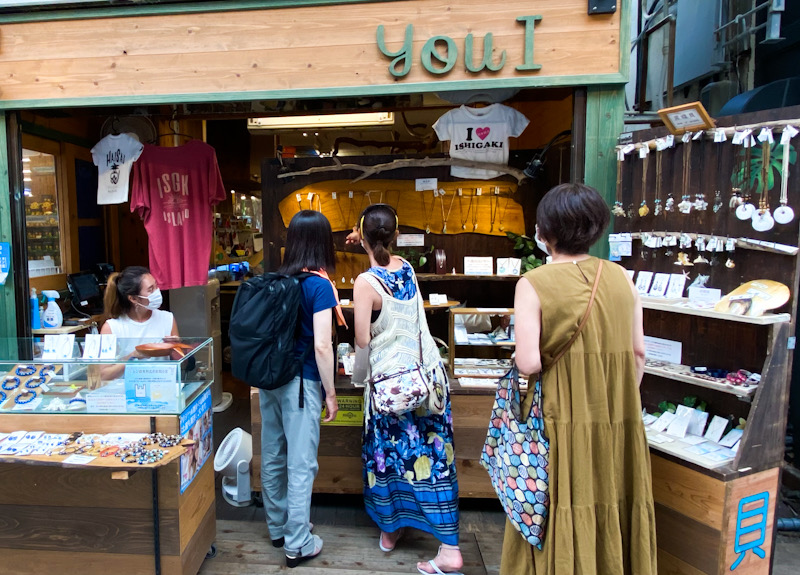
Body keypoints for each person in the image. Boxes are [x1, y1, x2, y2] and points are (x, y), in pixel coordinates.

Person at [501, 183, 656, 575]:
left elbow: (529, 362)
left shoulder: (533, 283)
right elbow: (639, 353)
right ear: (596, 228)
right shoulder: (622, 277)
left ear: (544, 231)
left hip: (560, 416)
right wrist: (614, 398)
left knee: (556, 501)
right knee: (614, 496)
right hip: (617, 418)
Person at [350, 204, 463, 575]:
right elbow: (383, 257)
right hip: (426, 379)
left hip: (391, 387)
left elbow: (363, 339)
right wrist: (366, 242)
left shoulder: (364, 283)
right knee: (433, 460)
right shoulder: (407, 268)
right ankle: (448, 546)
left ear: (362, 236)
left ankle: (390, 529)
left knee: (388, 459)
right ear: (395, 236)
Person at [259, 210, 339, 568]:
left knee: (274, 454)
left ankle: (278, 529)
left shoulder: (275, 279)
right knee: (301, 463)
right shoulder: (319, 286)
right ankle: (298, 542)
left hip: (270, 379)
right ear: (324, 243)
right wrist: (331, 392)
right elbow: (323, 346)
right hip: (301, 384)